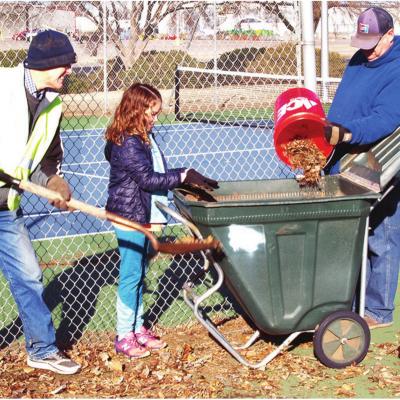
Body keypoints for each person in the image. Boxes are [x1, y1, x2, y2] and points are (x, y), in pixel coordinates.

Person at [104, 83, 218, 358]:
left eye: (157, 113)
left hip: (143, 214)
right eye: (151, 113)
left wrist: (187, 172)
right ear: (136, 110)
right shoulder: (129, 141)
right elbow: (147, 179)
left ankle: (138, 328)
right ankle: (124, 335)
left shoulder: (143, 137)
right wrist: (181, 177)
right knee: (131, 276)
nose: (156, 118)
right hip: (130, 216)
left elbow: (156, 172)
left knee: (140, 274)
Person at [0, 30, 80, 374]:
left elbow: (47, 161)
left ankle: (42, 350)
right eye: (66, 65)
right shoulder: (3, 86)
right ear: (48, 64)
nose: (70, 72)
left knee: (30, 275)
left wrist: (55, 182)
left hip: (7, 208)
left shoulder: (53, 105)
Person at [324, 7, 400, 329]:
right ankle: (347, 303)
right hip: (345, 153)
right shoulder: (358, 59)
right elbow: (344, 103)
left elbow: (386, 119)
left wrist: (347, 131)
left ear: (389, 34)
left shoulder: (397, 67)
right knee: (347, 235)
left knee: (382, 235)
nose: (366, 48)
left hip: (380, 157)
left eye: (373, 41)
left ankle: (378, 312)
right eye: (362, 40)